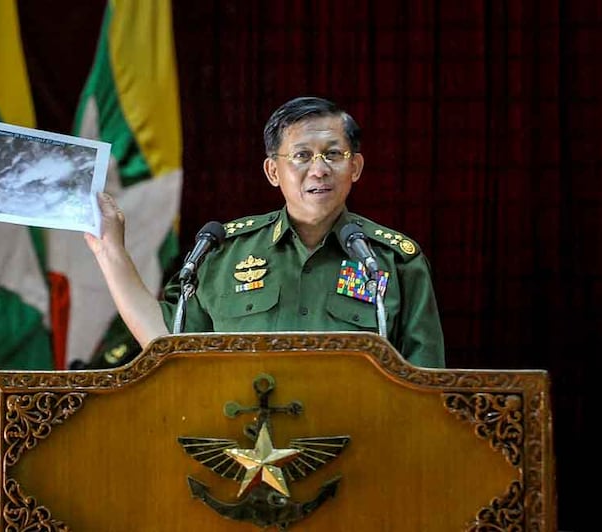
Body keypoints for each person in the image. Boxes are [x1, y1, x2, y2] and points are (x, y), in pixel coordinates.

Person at [84, 96, 445, 367]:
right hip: (240, 454)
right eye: (302, 156)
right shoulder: (222, 253)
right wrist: (109, 250)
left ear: (356, 167)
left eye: (333, 155)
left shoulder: (393, 261)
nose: (318, 170)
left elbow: (428, 385)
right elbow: (165, 341)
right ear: (273, 172)